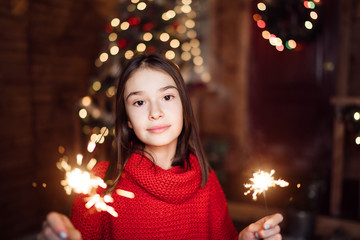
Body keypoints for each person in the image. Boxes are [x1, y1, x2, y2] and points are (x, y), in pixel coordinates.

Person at [38, 53, 283, 240]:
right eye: (139, 102)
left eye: (167, 97)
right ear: (128, 121)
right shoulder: (101, 183)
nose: (155, 112)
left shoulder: (206, 182)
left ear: (184, 107)